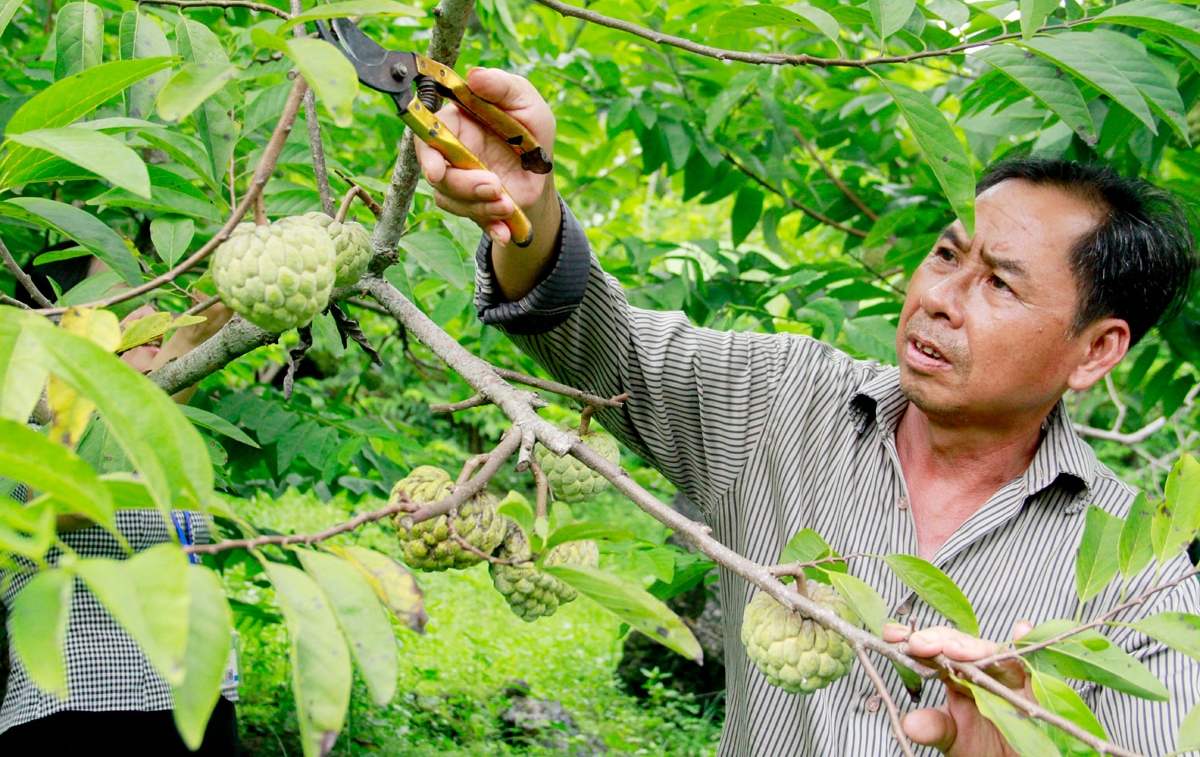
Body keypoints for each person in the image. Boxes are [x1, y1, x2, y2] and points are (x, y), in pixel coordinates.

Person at [415, 68, 1200, 757]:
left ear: (1096, 351)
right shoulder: (784, 399)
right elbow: (604, 345)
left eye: (998, 284)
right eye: (947, 255)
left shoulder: (1148, 578)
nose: (937, 300)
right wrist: (525, 206)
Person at [0, 247, 239, 755]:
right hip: (82, 711)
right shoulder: (22, 422)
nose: (141, 316)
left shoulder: (154, 422)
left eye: (145, 298)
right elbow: (69, 500)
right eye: (114, 309)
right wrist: (185, 343)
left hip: (198, 701)